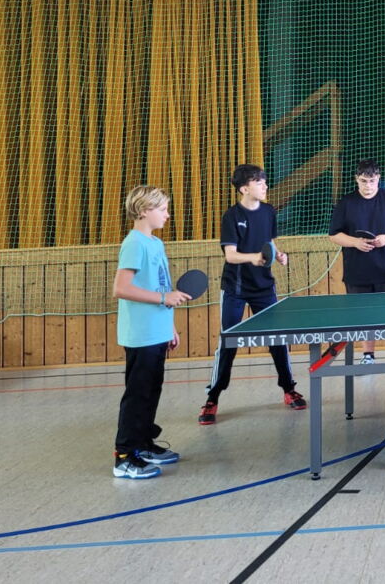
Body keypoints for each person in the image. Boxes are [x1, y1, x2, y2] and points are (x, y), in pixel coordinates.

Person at [198, 164, 306, 425]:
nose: (265, 186)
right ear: (244, 189)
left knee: (277, 340)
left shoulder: (269, 212)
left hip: (264, 288)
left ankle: (289, 389)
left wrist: (278, 255)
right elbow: (230, 255)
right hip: (235, 289)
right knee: (228, 342)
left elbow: (269, 243)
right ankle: (212, 398)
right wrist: (254, 257)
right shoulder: (231, 216)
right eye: (259, 182)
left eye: (265, 181)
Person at [112, 185, 192, 479]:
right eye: (163, 209)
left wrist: (169, 326)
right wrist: (163, 299)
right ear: (145, 211)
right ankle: (124, 457)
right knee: (138, 395)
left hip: (157, 331)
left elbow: (162, 285)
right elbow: (121, 288)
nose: (167, 215)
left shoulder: (156, 243)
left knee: (151, 391)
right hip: (141, 333)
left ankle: (143, 444)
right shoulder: (134, 243)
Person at [328, 158, 385, 362]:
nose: (368, 186)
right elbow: (334, 235)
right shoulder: (346, 203)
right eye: (364, 181)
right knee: (364, 318)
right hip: (357, 273)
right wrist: (355, 242)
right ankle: (368, 355)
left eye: (372, 181)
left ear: (378, 179)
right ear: (356, 179)